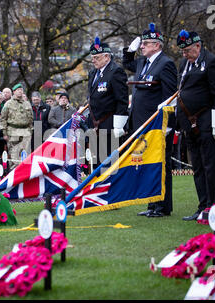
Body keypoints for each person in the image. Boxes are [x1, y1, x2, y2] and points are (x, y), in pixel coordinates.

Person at [122, 22, 177, 218]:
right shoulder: (143, 63)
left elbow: (170, 96)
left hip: (157, 124)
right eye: (142, 43)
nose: (142, 46)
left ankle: (163, 206)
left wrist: (168, 123)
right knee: (147, 164)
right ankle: (152, 204)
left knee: (161, 164)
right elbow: (127, 63)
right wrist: (130, 50)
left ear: (157, 45)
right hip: (141, 123)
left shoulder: (166, 64)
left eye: (146, 43)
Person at [173, 30, 215, 221]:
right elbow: (182, 91)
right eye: (182, 51)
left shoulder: (212, 62)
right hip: (189, 124)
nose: (185, 54)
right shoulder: (184, 64)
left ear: (198, 46)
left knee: (210, 166)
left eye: (187, 50)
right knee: (196, 167)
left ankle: (214, 206)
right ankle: (202, 205)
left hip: (206, 122)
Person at [87, 37, 129, 165]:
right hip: (95, 124)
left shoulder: (116, 72)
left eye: (97, 58)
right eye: (92, 58)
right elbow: (92, 97)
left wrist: (119, 125)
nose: (93, 61)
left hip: (110, 124)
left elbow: (122, 100)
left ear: (106, 57)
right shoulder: (93, 73)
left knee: (109, 164)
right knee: (96, 164)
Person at [0, 83, 33, 170]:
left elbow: (31, 118)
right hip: (13, 131)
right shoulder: (8, 104)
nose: (20, 92)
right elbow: (3, 119)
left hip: (26, 132)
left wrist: (30, 131)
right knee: (14, 155)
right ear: (14, 92)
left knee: (26, 155)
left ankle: (25, 175)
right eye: (18, 90)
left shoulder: (27, 104)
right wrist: (4, 133)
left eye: (21, 90)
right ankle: (14, 175)